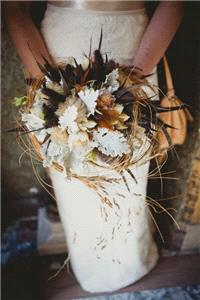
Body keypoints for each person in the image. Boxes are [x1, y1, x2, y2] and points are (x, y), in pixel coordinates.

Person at [4, 1, 183, 293]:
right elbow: (14, 9)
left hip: (134, 51)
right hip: (58, 57)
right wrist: (48, 82)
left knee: (130, 179)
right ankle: (88, 266)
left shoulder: (136, 70)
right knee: (73, 181)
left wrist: (134, 79)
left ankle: (135, 260)